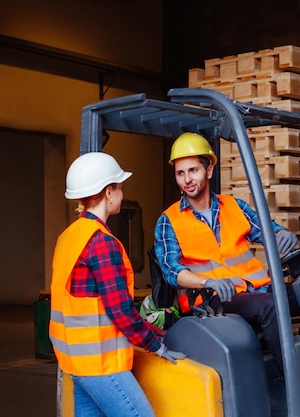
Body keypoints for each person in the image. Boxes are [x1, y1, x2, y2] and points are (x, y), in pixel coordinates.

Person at [49, 151, 185, 417]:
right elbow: (120, 311)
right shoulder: (101, 242)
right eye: (120, 188)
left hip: (74, 361)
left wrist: (154, 332)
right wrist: (156, 345)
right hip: (100, 364)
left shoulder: (68, 237)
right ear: (108, 192)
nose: (121, 195)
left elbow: (90, 305)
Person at [153, 132, 299, 374]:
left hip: (255, 287)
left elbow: (266, 230)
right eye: (181, 173)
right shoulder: (169, 220)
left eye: (193, 171)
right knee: (270, 307)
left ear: (208, 171)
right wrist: (207, 281)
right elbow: (171, 270)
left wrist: (283, 234)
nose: (187, 179)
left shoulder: (234, 206)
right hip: (213, 299)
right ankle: (292, 380)